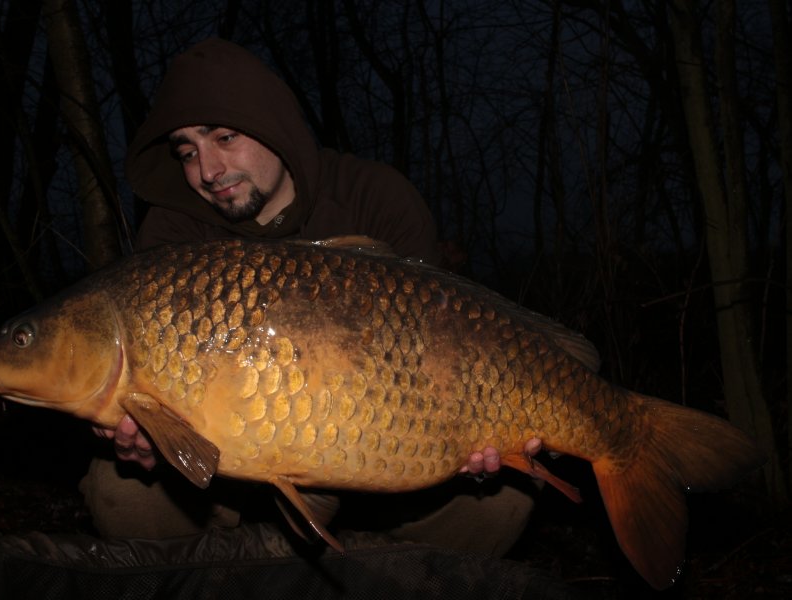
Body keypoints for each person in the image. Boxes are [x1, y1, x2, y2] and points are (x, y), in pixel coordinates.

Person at [79, 37, 541, 556]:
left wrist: (469, 434)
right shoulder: (173, 232)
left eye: (225, 137)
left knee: (502, 499)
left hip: (386, 452)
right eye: (188, 152)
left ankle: (385, 577)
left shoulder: (375, 197)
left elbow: (434, 346)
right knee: (121, 491)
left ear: (274, 125)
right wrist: (148, 449)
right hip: (230, 476)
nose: (208, 171)